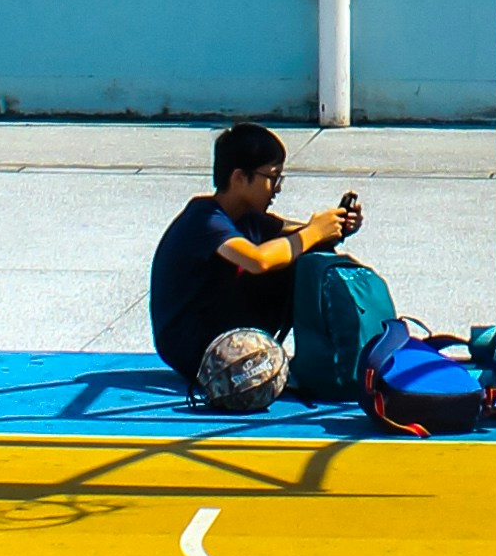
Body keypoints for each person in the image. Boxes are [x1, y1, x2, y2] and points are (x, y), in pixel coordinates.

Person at [150, 122, 364, 399]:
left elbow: (297, 238)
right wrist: (313, 232)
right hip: (191, 347)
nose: (276, 188)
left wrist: (336, 228)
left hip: (217, 323)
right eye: (272, 177)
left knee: (305, 255)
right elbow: (258, 261)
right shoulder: (204, 220)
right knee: (290, 258)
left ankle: (325, 361)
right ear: (240, 178)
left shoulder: (248, 218)